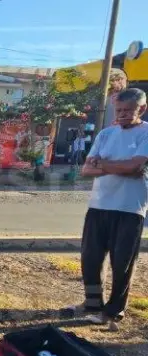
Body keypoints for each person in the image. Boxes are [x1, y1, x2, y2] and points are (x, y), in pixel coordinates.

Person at [65, 88, 148, 331]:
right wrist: (121, 167)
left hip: (130, 208)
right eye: (118, 110)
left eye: (127, 111)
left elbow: (136, 166)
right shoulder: (105, 134)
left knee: (121, 263)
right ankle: (92, 305)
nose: (122, 115)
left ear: (140, 109)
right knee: (90, 260)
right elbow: (86, 170)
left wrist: (105, 164)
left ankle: (114, 311)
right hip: (98, 205)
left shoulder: (146, 133)